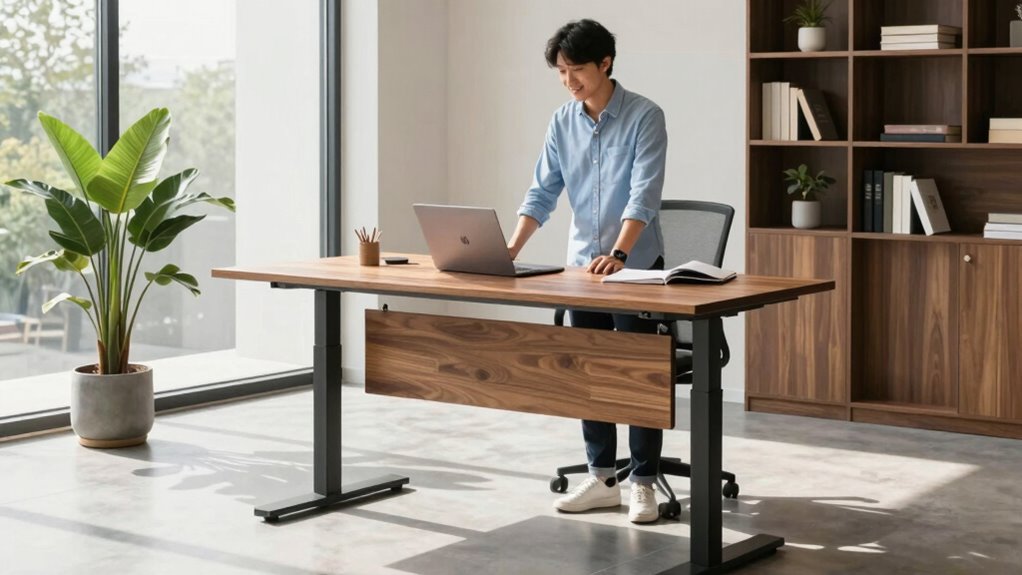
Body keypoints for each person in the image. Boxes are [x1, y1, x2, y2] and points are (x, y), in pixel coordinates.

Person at [507, 18, 668, 524]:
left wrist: (619, 254)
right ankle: (602, 478)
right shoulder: (562, 122)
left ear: (606, 63)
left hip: (635, 267)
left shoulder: (645, 116)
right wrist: (508, 250)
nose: (569, 81)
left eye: (577, 69)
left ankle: (643, 483)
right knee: (591, 375)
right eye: (561, 72)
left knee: (636, 377)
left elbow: (643, 193)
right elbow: (542, 192)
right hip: (583, 269)